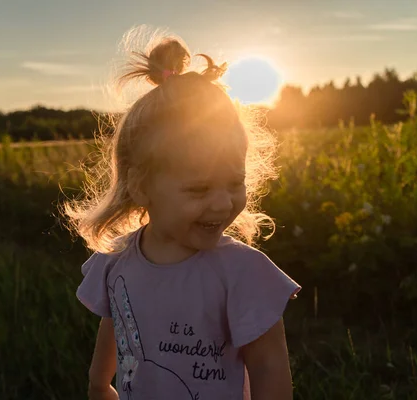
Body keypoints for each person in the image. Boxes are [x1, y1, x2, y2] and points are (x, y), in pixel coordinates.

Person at [63, 30, 301, 400]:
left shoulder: (244, 273)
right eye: (199, 189)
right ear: (141, 186)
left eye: (234, 183)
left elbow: (269, 366)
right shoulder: (116, 261)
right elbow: (119, 322)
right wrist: (98, 382)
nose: (223, 203)